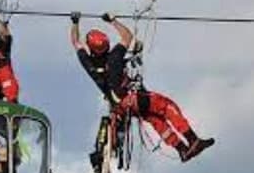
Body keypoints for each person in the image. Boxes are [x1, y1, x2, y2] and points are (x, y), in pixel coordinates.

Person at [70, 11, 215, 164]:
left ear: (90, 49)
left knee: (157, 120)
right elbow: (128, 37)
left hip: (122, 108)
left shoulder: (89, 64)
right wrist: (113, 21)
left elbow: (75, 41)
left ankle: (182, 150)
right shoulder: (115, 56)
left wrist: (75, 22)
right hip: (133, 99)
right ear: (106, 46)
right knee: (166, 106)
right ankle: (192, 140)